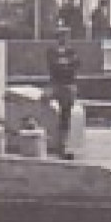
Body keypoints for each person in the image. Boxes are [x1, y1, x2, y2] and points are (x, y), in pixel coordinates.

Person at [46, 24, 82, 159]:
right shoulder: (52, 51)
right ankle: (54, 142)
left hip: (68, 85)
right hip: (56, 85)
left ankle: (63, 144)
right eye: (61, 36)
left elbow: (76, 65)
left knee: (65, 115)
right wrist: (66, 64)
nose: (64, 39)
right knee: (48, 108)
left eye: (66, 36)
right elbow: (54, 67)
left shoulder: (72, 51)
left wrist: (64, 64)